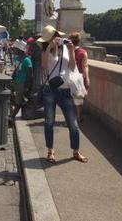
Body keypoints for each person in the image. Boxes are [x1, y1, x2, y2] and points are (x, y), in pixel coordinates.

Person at [38, 25, 88, 164]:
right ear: (48, 40)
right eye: (53, 38)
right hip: (50, 90)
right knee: (49, 122)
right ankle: (50, 151)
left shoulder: (67, 49)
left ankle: (76, 151)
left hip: (65, 90)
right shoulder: (45, 51)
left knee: (73, 123)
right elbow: (44, 67)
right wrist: (49, 48)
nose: (57, 39)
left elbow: (72, 67)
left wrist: (71, 50)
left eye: (57, 36)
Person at [69, 32, 90, 122]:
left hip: (69, 77)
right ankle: (79, 117)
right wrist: (87, 79)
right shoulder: (83, 53)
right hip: (79, 78)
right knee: (79, 99)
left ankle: (70, 116)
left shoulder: (68, 52)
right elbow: (84, 67)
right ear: (79, 41)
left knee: (69, 98)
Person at [10, 40, 33, 118]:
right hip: (15, 81)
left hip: (22, 83)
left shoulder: (27, 60)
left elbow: (30, 75)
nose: (13, 50)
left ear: (19, 50)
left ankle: (12, 116)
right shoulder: (17, 58)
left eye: (15, 49)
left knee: (18, 102)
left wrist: (27, 86)